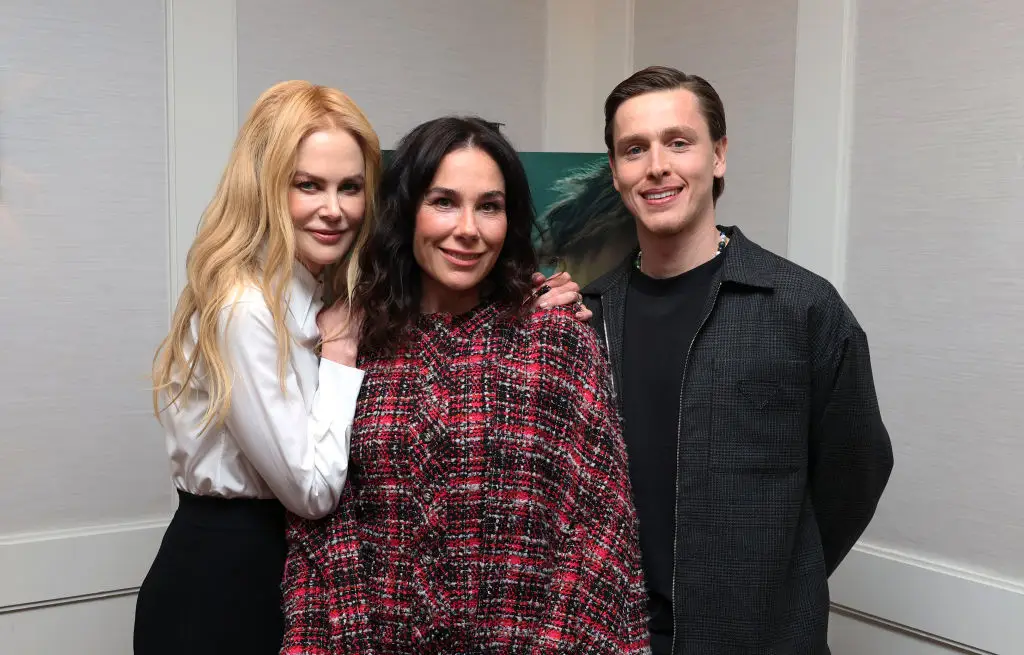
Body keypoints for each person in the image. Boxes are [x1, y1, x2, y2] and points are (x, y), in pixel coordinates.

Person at [135, 82, 585, 655]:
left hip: (283, 571)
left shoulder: (323, 293)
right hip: (225, 575)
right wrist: (342, 356)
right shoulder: (246, 306)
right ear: (265, 187)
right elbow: (312, 491)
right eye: (308, 185)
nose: (335, 209)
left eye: (350, 187)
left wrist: (538, 295)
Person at [279, 116, 650, 654]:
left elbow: (601, 528)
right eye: (444, 201)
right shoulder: (352, 345)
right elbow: (317, 540)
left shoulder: (556, 340)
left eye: (490, 206)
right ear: (406, 213)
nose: (469, 228)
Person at [581, 66, 894, 654]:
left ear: (718, 155)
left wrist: (775, 575)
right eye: (634, 149)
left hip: (761, 639)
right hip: (616, 639)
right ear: (617, 173)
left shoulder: (800, 307)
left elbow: (858, 468)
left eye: (679, 142)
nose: (656, 166)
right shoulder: (589, 315)